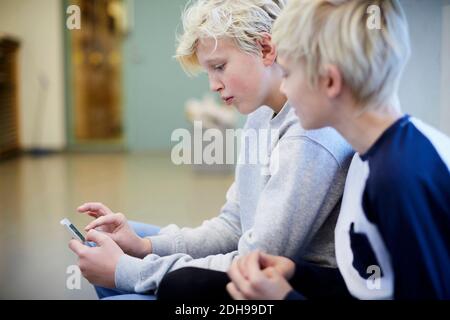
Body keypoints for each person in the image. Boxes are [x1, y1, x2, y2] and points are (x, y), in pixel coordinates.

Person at [68, 0, 353, 300]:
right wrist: (145, 248)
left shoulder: (309, 133)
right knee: (106, 246)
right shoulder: (259, 114)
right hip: (249, 265)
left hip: (285, 286)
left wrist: (130, 270)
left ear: (266, 49)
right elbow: (233, 225)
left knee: (120, 289)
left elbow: (256, 260)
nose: (214, 85)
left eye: (219, 67)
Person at [226, 0, 450, 300]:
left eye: (289, 74)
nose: (283, 89)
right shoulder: (369, 158)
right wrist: (296, 272)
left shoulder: (398, 176)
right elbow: (375, 284)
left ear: (330, 81)